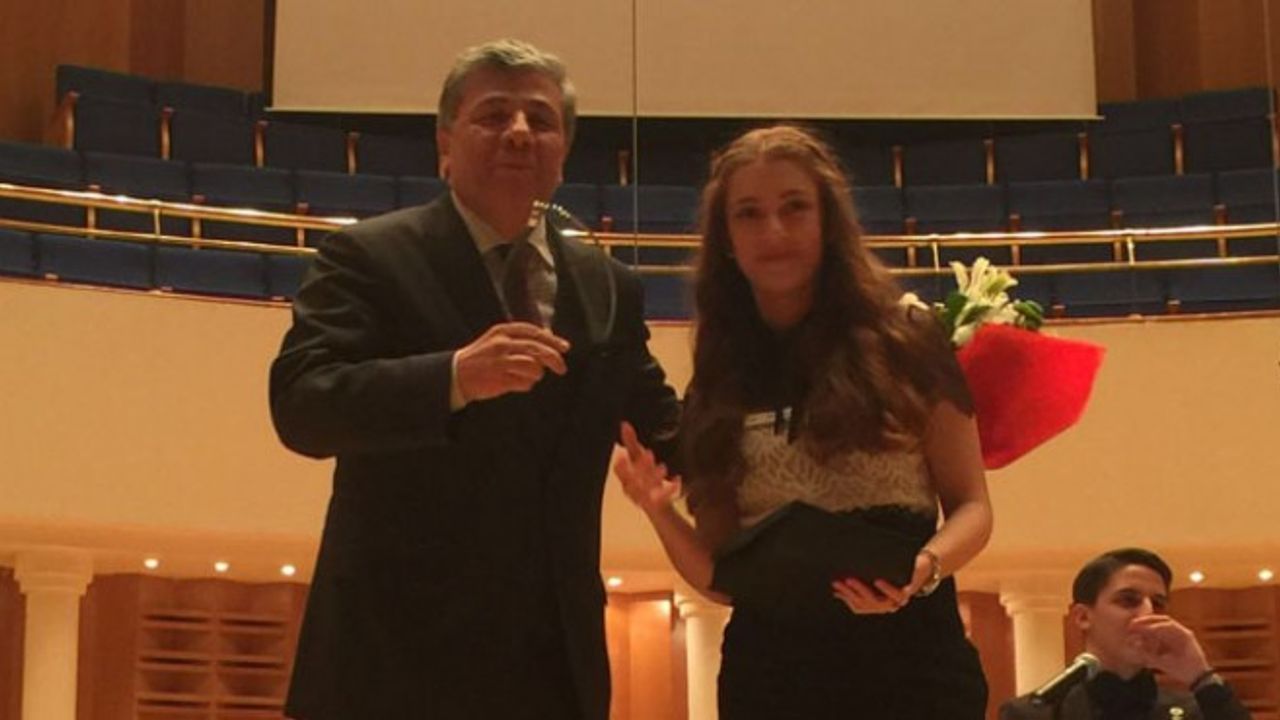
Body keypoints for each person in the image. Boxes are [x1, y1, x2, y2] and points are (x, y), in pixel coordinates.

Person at [270, 39, 680, 720]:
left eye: (540, 120)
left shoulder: (609, 286)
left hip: (553, 672)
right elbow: (302, 404)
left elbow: (664, 428)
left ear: (563, 151)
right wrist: (454, 377)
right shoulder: (368, 255)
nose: (519, 132)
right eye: (493, 115)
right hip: (390, 668)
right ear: (445, 143)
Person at [614, 125, 993, 719]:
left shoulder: (908, 338)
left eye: (795, 207)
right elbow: (723, 577)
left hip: (915, 666)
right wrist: (657, 510)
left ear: (827, 222)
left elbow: (973, 506)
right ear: (726, 240)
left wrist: (923, 571)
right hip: (772, 680)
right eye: (749, 213)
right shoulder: (716, 380)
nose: (774, 231)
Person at [999, 548, 1252, 720]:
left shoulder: (1195, 711)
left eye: (1158, 604)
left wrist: (1201, 675)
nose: (1148, 613)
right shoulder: (1035, 713)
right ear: (1083, 617)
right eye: (1128, 601)